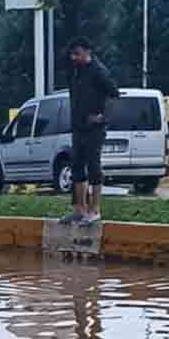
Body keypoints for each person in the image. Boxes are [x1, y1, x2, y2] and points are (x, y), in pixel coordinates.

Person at [62, 37, 120, 228]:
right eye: (72, 54)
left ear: (87, 52)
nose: (74, 57)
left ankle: (95, 210)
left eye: (77, 53)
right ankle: (79, 208)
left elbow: (114, 95)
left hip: (94, 129)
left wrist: (102, 117)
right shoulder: (76, 71)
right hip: (78, 127)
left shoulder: (99, 72)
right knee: (77, 166)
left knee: (93, 166)